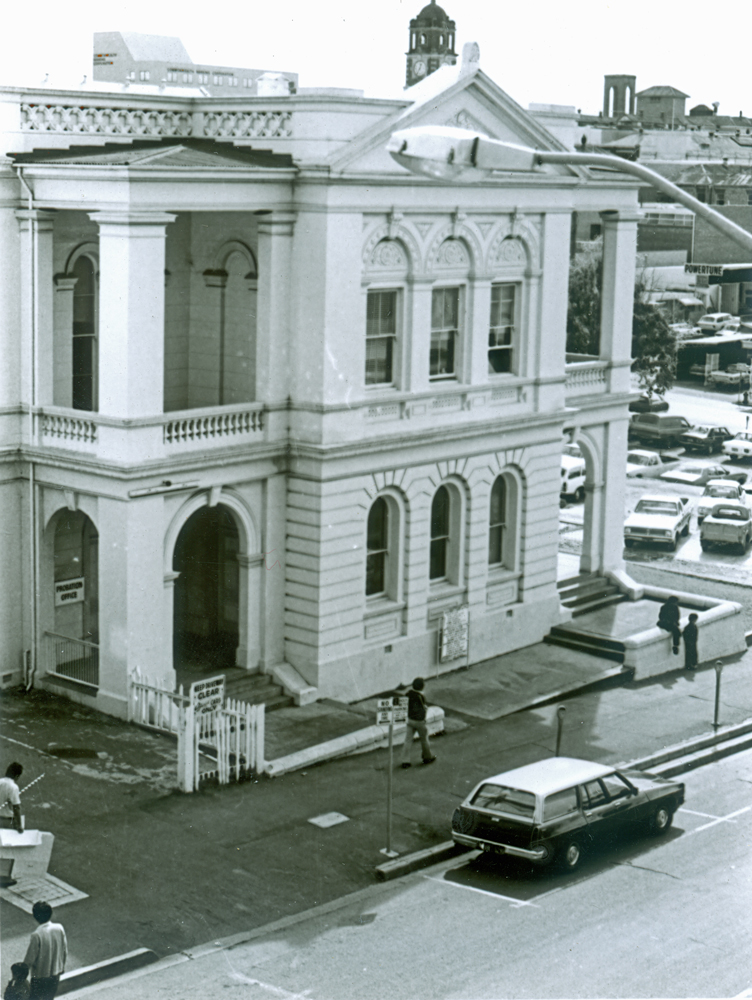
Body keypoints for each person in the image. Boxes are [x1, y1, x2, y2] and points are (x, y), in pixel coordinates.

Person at [23, 902, 67, 1000]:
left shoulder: (37, 935)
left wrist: (22, 972)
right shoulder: (59, 928)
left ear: (35, 916)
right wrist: (62, 966)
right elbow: (64, 950)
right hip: (55, 973)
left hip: (40, 976)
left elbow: (30, 958)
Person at [400, 678, 436, 768]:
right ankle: (427, 757)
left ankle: (405, 761)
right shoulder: (421, 696)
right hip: (419, 721)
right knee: (424, 740)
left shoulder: (408, 694)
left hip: (410, 720)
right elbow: (422, 707)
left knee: (407, 741)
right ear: (421, 687)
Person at [0, 763, 24, 833]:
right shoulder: (13, 787)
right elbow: (16, 807)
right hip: (6, 819)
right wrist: (19, 825)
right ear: (17, 776)